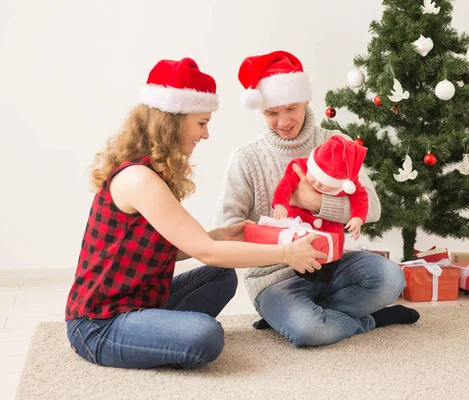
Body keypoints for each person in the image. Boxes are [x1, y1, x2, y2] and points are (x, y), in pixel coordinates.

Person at [65, 57, 326, 369]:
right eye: (202, 123)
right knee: (206, 336)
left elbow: (169, 251)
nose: (205, 135)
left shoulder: (150, 172)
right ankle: (155, 336)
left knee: (221, 277)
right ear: (172, 121)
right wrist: (286, 253)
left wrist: (220, 235)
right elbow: (208, 252)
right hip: (99, 323)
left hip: (143, 300)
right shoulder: (139, 180)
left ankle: (154, 334)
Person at [215, 50, 420, 347]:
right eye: (272, 113)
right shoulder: (246, 158)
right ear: (261, 111)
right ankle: (368, 320)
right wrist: (282, 244)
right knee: (309, 330)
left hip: (332, 264)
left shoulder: (335, 143)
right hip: (274, 278)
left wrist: (316, 203)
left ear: (307, 100)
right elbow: (228, 229)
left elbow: (372, 208)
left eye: (291, 108)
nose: (283, 121)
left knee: (391, 278)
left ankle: (298, 318)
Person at [272, 135, 368, 283]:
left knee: (331, 254)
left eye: (324, 184)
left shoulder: (346, 183)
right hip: (301, 223)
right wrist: (280, 204)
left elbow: (360, 197)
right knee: (302, 252)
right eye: (314, 177)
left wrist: (357, 218)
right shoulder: (300, 167)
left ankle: (329, 273)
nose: (316, 184)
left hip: (330, 228)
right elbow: (285, 186)